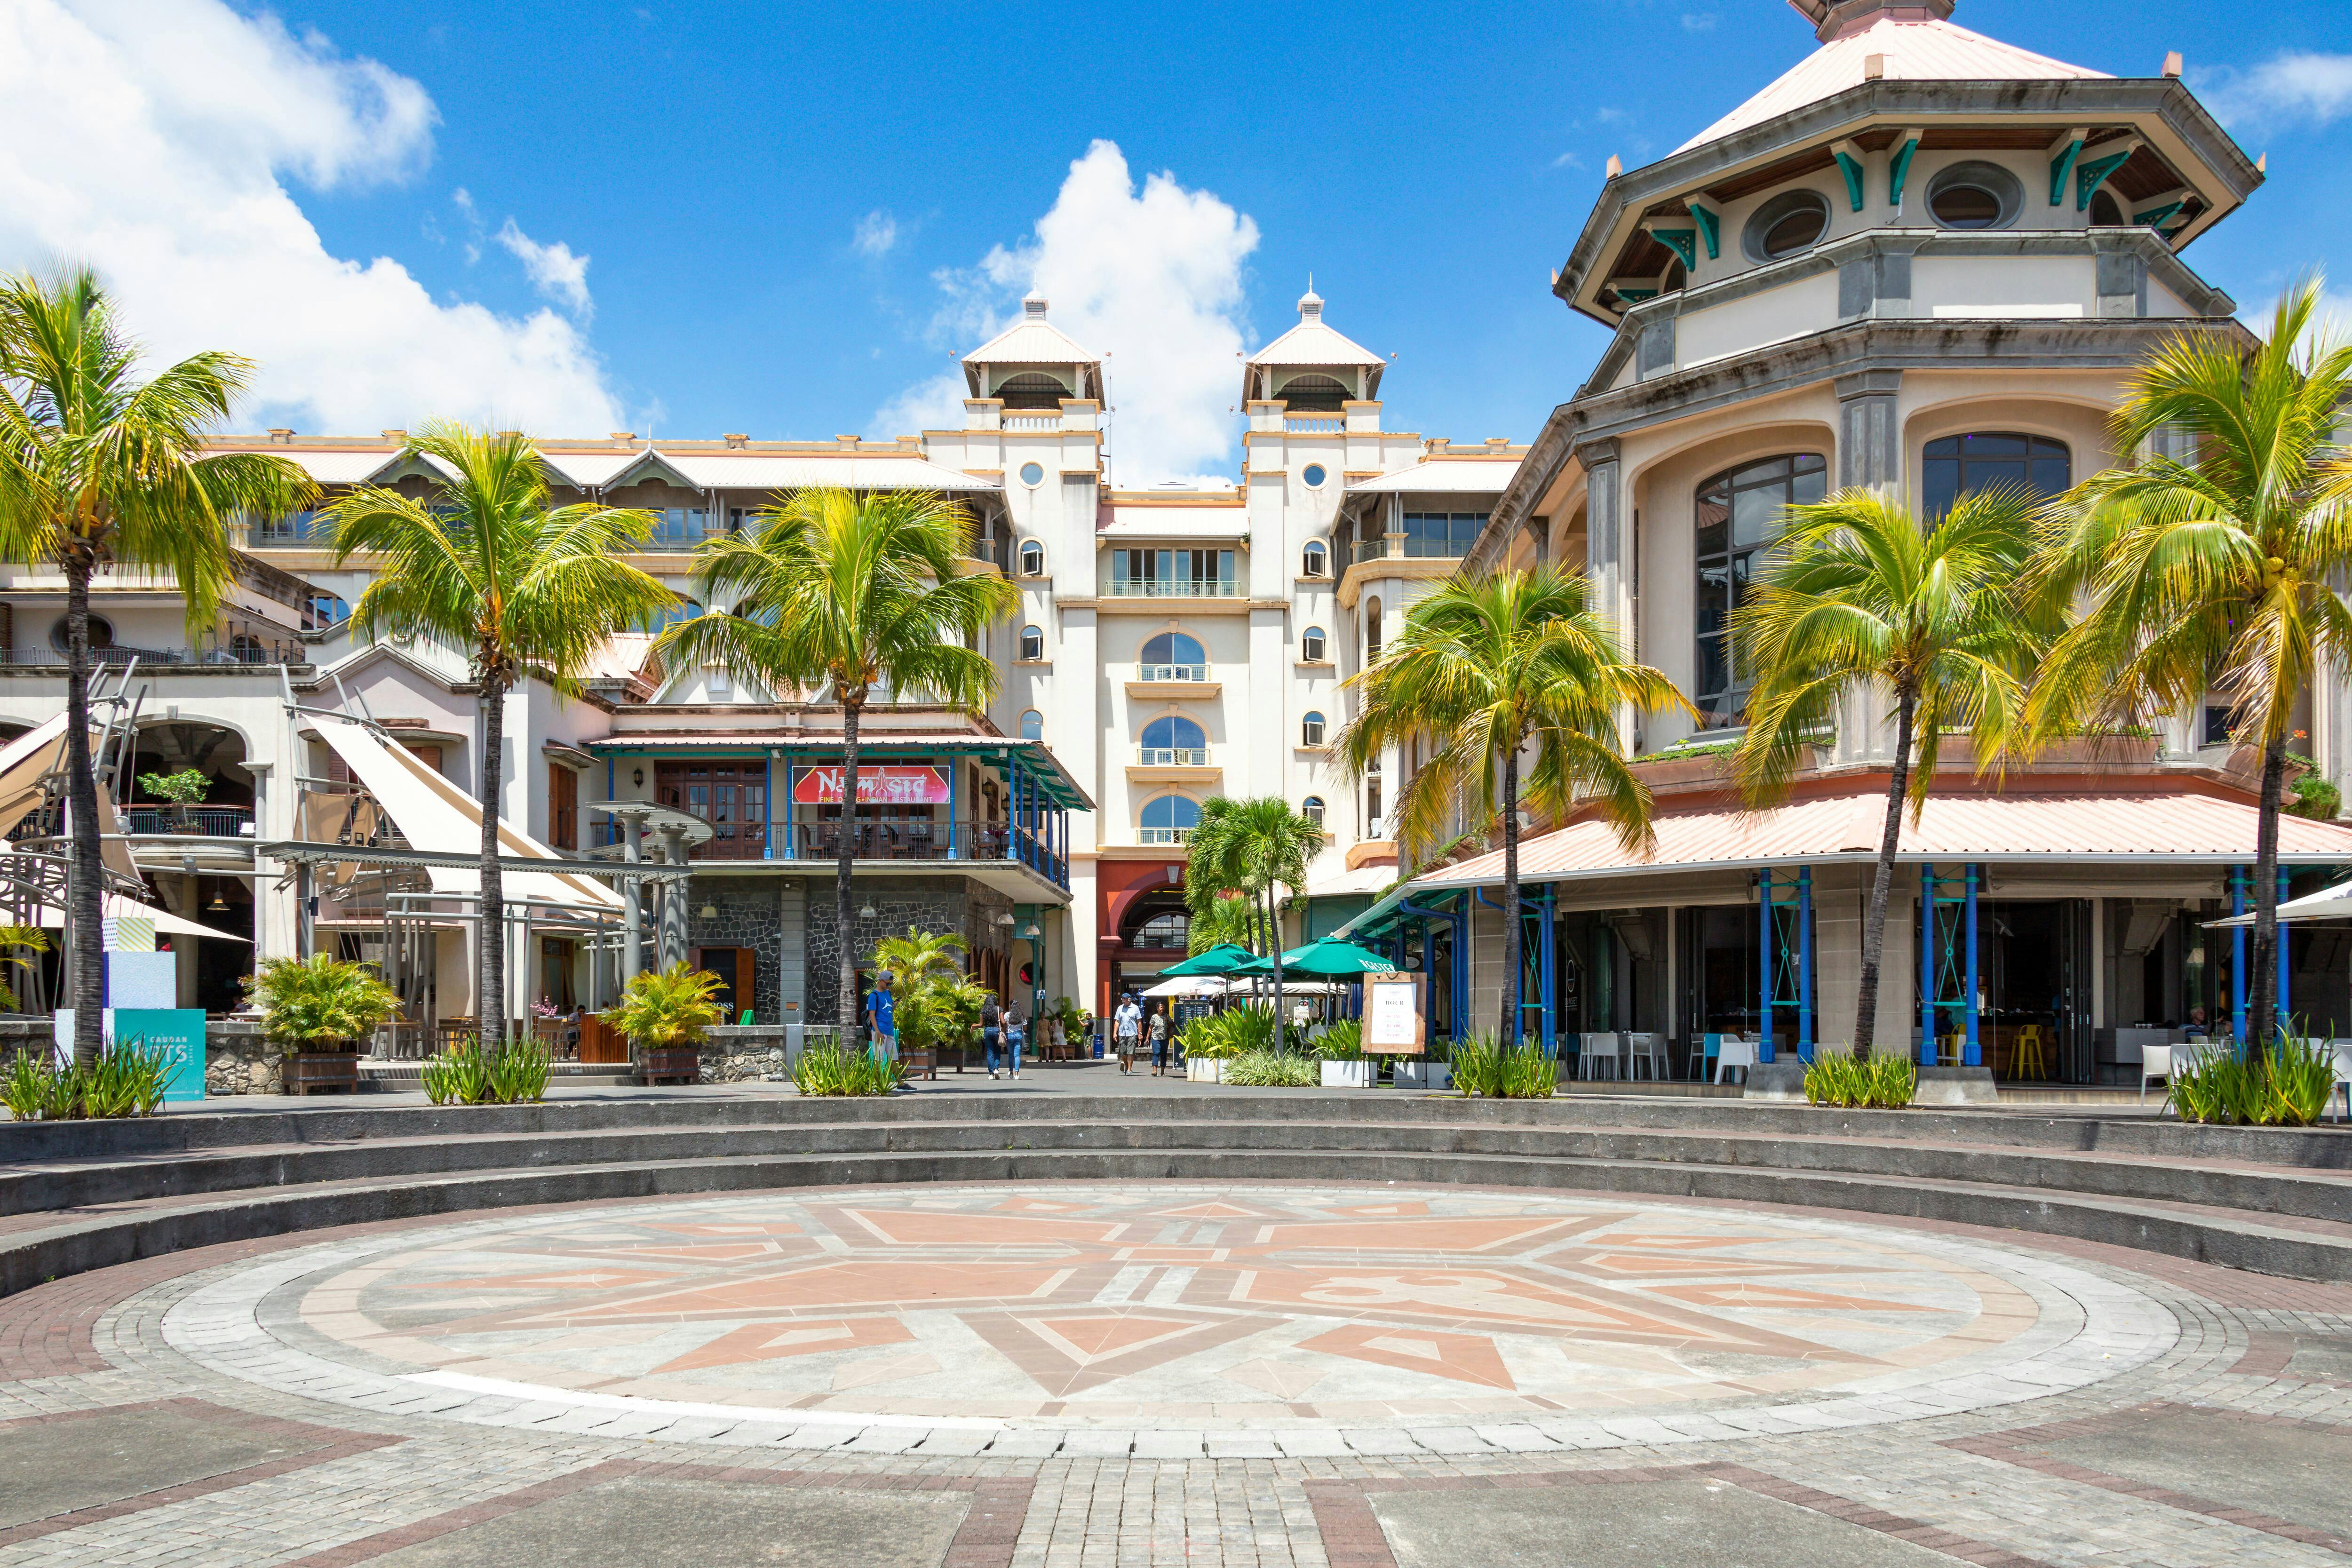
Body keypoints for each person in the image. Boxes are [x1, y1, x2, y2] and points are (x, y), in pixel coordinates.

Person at [863, 971, 898, 1063]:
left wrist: (894, 1006)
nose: (889, 986)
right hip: (880, 1030)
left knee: (894, 1059)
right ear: (881, 981)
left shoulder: (888, 993)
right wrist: (877, 1032)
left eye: (891, 984)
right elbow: (872, 1015)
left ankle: (899, 1078)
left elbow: (889, 1010)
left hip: (890, 1030)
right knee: (878, 1060)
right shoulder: (874, 996)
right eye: (888, 984)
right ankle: (876, 1078)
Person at [1114, 991, 1142, 1075]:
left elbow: (1139, 1021)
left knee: (1130, 1052)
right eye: (1122, 999)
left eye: (1125, 999)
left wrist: (1140, 1033)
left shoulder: (1135, 1008)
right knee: (1123, 1053)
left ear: (1130, 999)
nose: (1123, 1000)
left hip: (1132, 1033)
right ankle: (1126, 1064)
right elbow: (1117, 1021)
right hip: (1122, 1034)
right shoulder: (1120, 1008)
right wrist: (1115, 1033)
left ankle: (1129, 1069)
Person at [982, 992, 1004, 1078]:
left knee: (990, 1052)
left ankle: (991, 1074)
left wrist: (973, 1026)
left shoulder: (984, 1010)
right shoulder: (999, 1009)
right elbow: (1002, 1022)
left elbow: (981, 1024)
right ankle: (996, 1069)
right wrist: (1005, 1025)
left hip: (987, 1031)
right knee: (998, 1051)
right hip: (997, 1031)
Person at [1147, 1004, 1170, 1076]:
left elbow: (1173, 1025)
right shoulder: (1154, 1017)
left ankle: (1162, 1072)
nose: (1162, 1009)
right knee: (1156, 1054)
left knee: (1164, 1055)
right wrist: (1147, 1038)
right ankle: (1155, 1071)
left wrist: (1168, 1021)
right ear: (1157, 1008)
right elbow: (1151, 1028)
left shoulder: (1167, 1016)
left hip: (1165, 1038)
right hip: (1155, 1038)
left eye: (1164, 1007)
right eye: (1161, 1007)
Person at [1005, 1009, 1025, 1078]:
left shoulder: (1007, 1015)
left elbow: (1004, 1024)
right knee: (1017, 1056)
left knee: (1011, 1055)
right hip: (1018, 1035)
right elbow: (1025, 1027)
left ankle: (1011, 1071)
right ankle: (1017, 1074)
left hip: (1009, 1035)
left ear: (1010, 1006)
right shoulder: (1021, 1015)